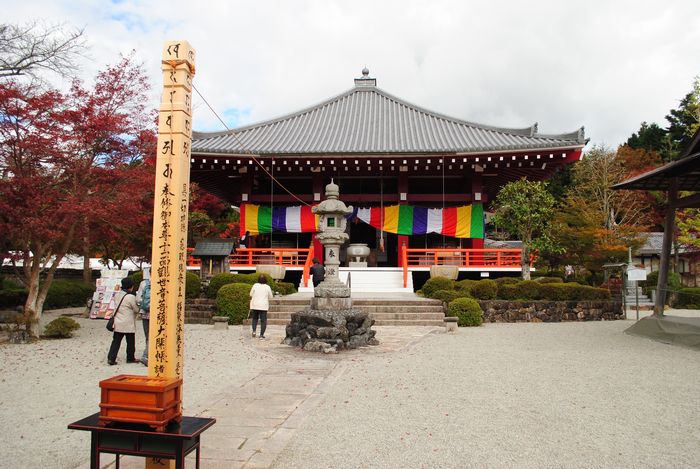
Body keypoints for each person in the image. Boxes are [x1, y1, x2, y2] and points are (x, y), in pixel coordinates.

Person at [107, 277, 140, 366]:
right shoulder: (130, 297)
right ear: (131, 286)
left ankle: (111, 358)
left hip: (118, 322)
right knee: (130, 341)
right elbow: (136, 309)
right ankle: (130, 358)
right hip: (128, 322)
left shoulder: (117, 295)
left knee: (116, 341)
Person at [249, 274, 273, 339]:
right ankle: (261, 335)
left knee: (255, 319)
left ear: (258, 280)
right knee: (263, 321)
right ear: (265, 280)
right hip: (263, 306)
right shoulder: (267, 287)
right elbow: (271, 296)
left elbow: (250, 294)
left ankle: (254, 331)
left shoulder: (255, 285)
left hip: (255, 305)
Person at [135, 269, 151, 367]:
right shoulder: (164, 282)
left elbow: (138, 299)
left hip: (145, 313)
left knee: (148, 335)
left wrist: (144, 305)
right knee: (155, 335)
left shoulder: (144, 283)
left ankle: (147, 354)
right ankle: (147, 356)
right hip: (159, 313)